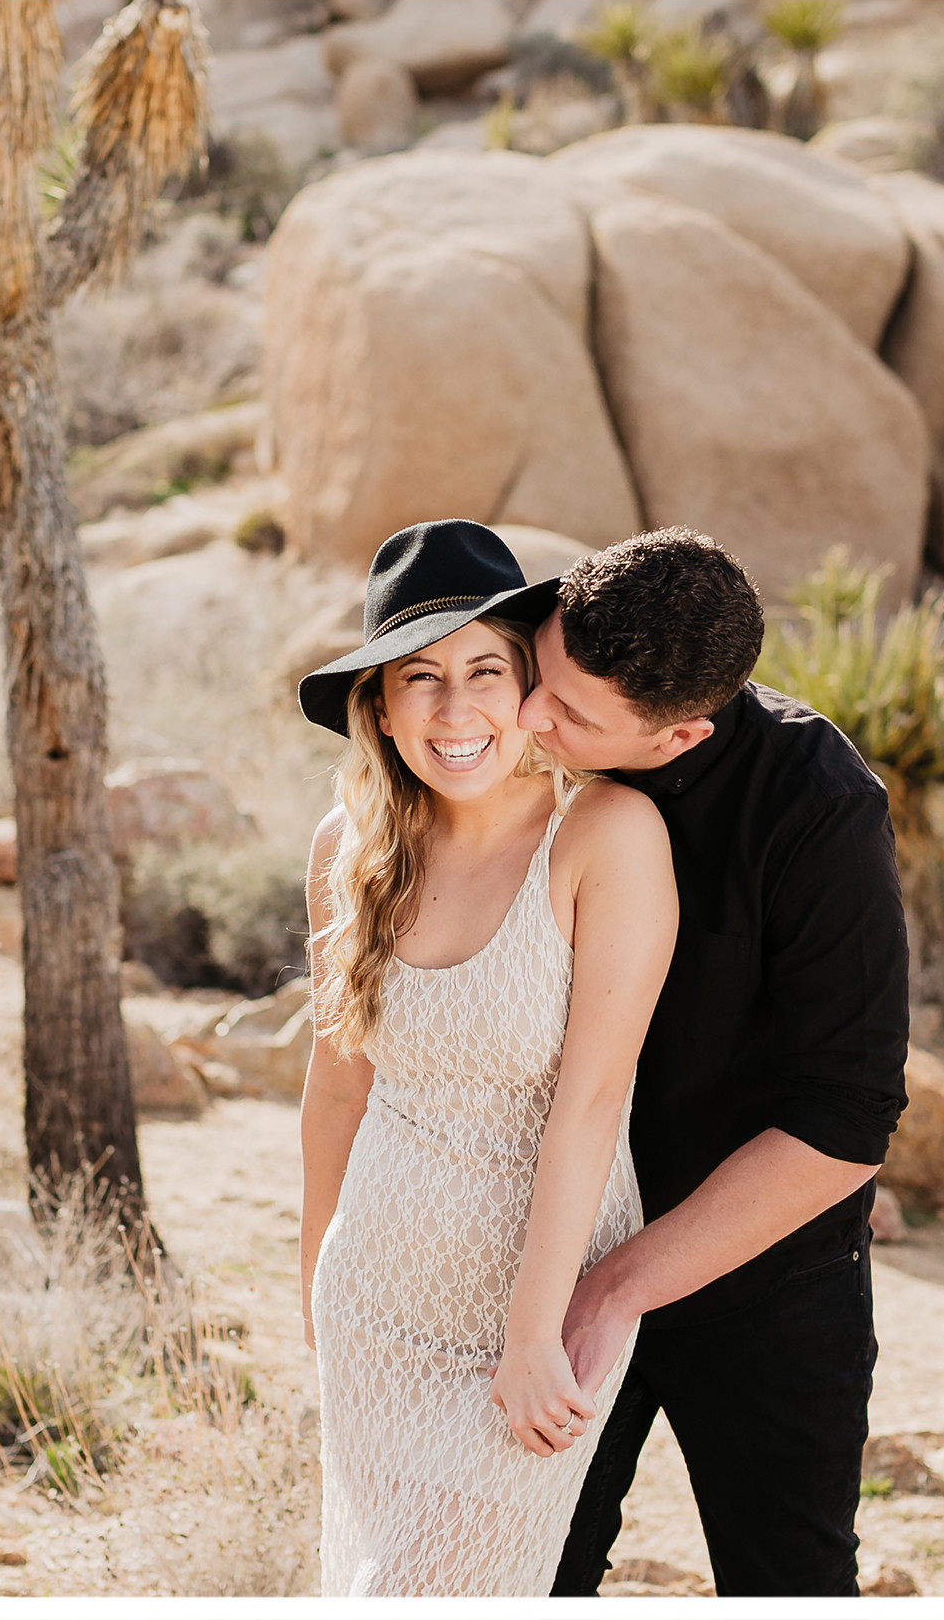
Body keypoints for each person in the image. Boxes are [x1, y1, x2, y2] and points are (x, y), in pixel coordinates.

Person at [516, 527, 912, 1597]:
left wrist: (617, 1287)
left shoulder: (820, 809)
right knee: (518, 1575)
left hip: (765, 1278)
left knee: (786, 1580)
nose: (527, 718)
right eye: (539, 676)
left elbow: (845, 1121)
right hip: (540, 1252)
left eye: (573, 718)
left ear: (684, 731)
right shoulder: (521, 714)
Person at [294, 519, 678, 1596]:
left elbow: (592, 1104)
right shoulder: (348, 846)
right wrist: (311, 1279)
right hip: (373, 1306)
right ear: (376, 704)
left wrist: (530, 1334)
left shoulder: (603, 834)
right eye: (419, 678)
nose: (454, 711)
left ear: (529, 688)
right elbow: (337, 1081)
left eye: (483, 671)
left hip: (527, 1324)